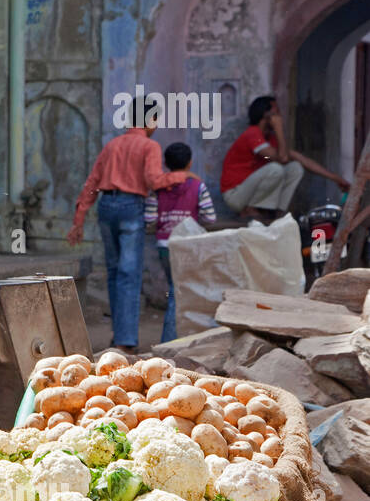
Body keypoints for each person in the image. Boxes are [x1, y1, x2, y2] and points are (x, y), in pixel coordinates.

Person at [67, 100, 192, 355]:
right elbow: (154, 181)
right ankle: (125, 341)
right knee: (129, 275)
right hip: (130, 207)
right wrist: (183, 176)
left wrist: (78, 220)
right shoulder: (150, 145)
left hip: (106, 208)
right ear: (150, 121)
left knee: (114, 273)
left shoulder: (112, 145)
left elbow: (92, 183)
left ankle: (119, 336)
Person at [220, 95, 349, 219]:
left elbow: (302, 160)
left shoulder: (270, 139)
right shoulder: (253, 134)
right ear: (266, 114)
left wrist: (335, 178)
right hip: (236, 196)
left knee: (295, 168)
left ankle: (278, 211)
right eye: (277, 111)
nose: (280, 115)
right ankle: (251, 210)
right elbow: (283, 159)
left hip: (248, 193)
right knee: (276, 169)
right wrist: (279, 129)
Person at [144, 142, 216, 344]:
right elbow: (210, 218)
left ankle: (177, 340)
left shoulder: (156, 190)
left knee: (176, 290)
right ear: (190, 163)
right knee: (178, 293)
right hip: (187, 246)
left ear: (166, 164)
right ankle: (169, 343)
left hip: (165, 247)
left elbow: (149, 221)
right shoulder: (197, 186)